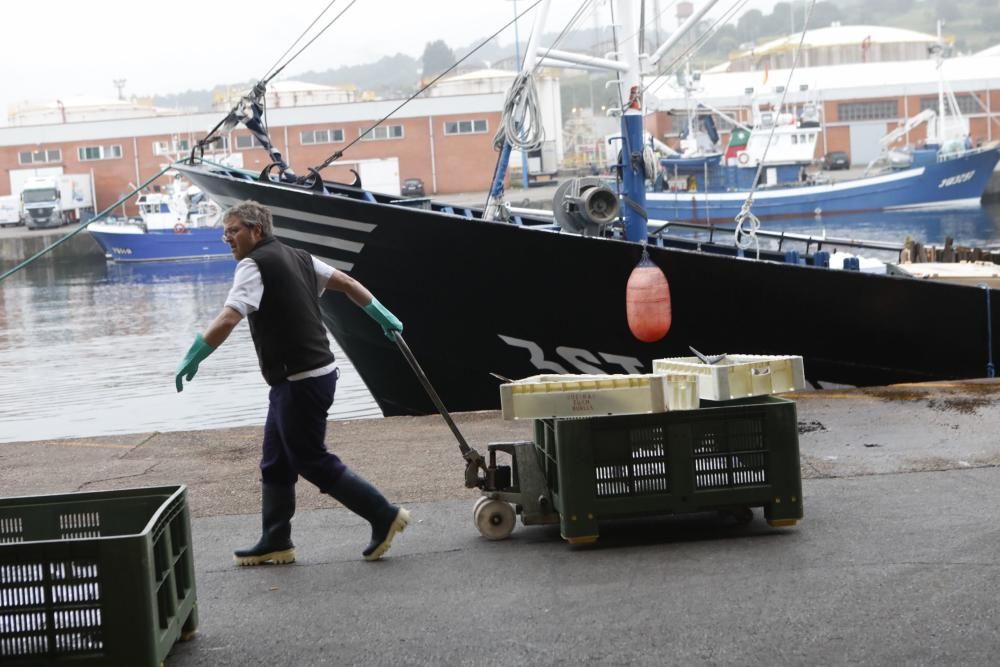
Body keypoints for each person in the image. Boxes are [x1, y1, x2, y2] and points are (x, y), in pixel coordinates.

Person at [175, 200, 409, 565]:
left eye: (234, 230)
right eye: (225, 231)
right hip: (313, 374)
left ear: (257, 231)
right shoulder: (299, 256)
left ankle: (384, 514)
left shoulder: (254, 265)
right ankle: (276, 539)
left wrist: (196, 353)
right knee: (276, 459)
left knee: (309, 458)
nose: (227, 238)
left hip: (300, 380)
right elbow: (347, 284)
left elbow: (229, 317)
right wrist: (379, 313)